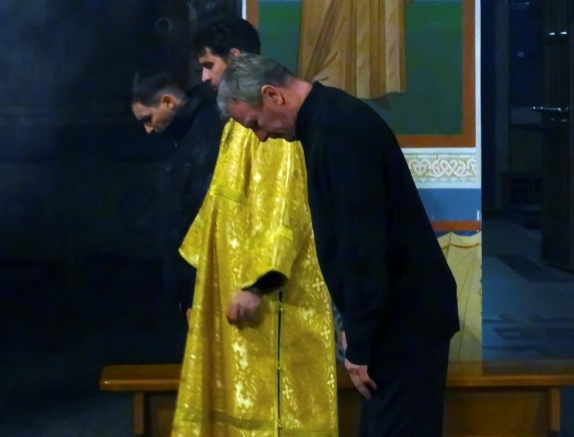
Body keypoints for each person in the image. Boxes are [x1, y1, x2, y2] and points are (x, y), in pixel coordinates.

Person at [217, 53, 460, 436]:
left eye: (255, 123)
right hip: (395, 316)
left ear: (272, 95)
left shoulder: (337, 133)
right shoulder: (327, 119)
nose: (261, 136)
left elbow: (362, 245)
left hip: (404, 320)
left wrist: (360, 340)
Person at [171, 17, 338, 435]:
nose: (204, 77)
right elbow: (221, 205)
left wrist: (257, 283)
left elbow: (284, 210)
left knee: (274, 407)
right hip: (229, 283)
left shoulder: (270, 125)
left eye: (208, 66)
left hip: (269, 295)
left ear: (235, 58)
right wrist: (201, 279)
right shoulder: (235, 123)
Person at [131, 70, 224, 318]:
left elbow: (197, 213)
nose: (148, 130)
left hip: (203, 279)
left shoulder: (205, 134)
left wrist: (190, 289)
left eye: (148, 119)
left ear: (168, 102)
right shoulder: (185, 134)